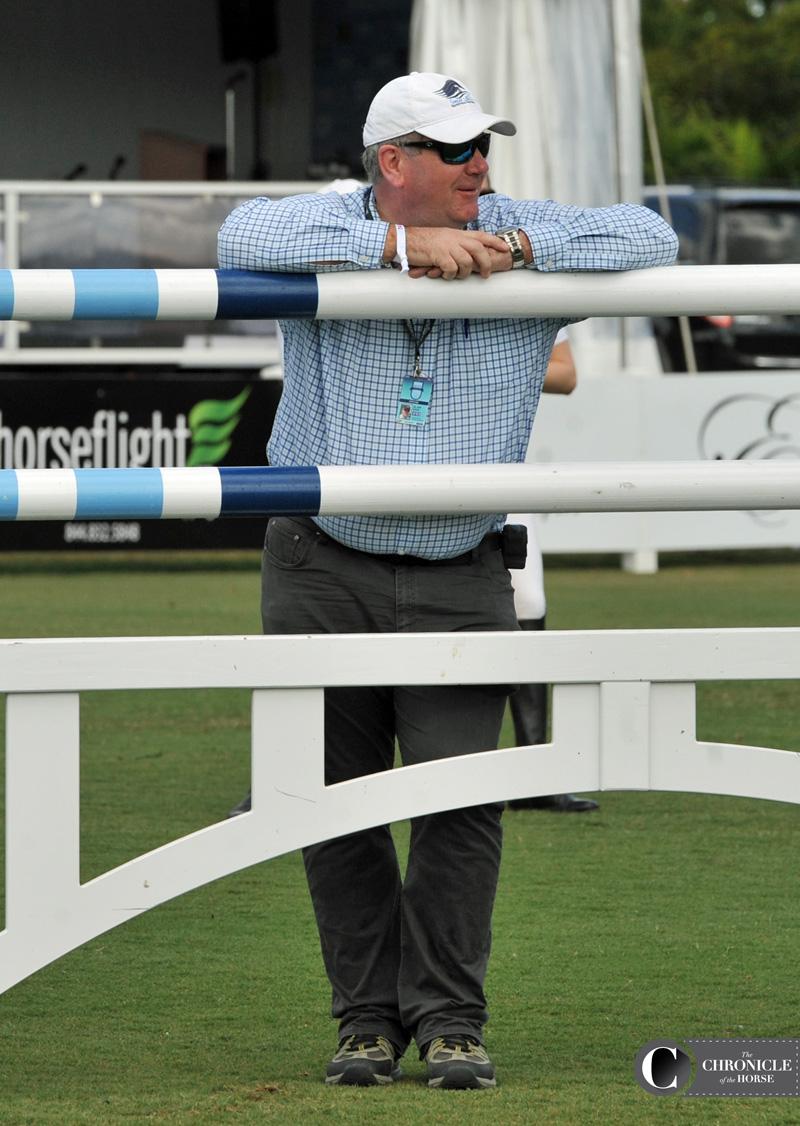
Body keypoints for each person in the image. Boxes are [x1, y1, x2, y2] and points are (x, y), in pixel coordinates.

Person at [217, 71, 678, 1090]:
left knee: (463, 806)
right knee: (329, 805)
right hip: (320, 561)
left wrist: (514, 250)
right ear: (392, 162)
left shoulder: (515, 225)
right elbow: (239, 234)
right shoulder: (337, 222)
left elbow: (652, 237)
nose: (479, 165)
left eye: (483, 146)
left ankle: (451, 1022)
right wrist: (399, 249)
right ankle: (366, 1023)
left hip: (463, 566)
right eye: (456, 148)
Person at [506, 331, 600, 813]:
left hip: (501, 463)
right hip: (406, 458)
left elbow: (566, 374)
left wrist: (487, 363)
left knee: (528, 601)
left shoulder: (521, 291)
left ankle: (534, 776)